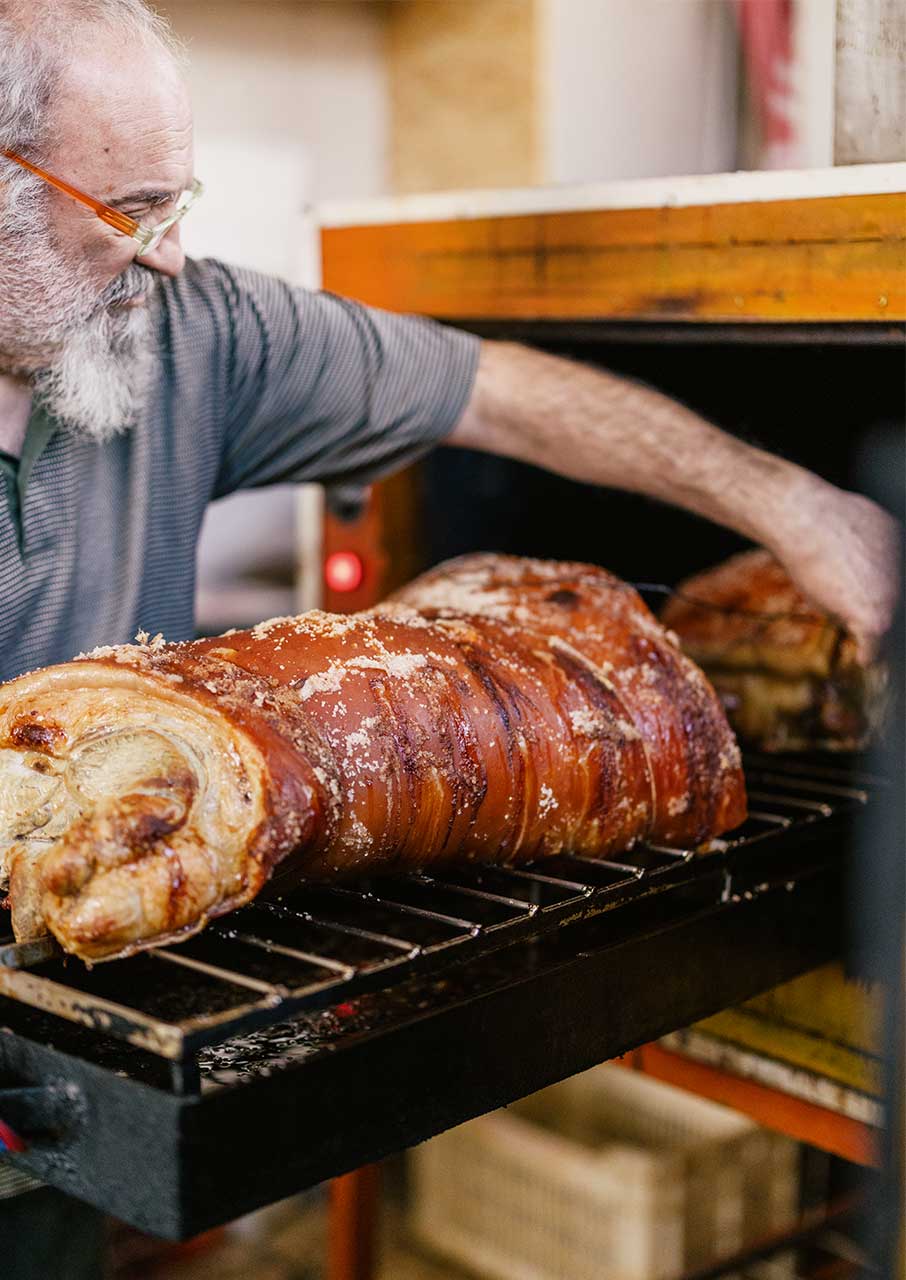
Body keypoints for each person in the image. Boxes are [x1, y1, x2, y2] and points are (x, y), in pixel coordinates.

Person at [0, 1, 898, 1273]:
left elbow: (503, 393)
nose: (170, 256)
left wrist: (793, 506)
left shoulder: (183, 332)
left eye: (177, 198)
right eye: (130, 209)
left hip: (57, 1075)